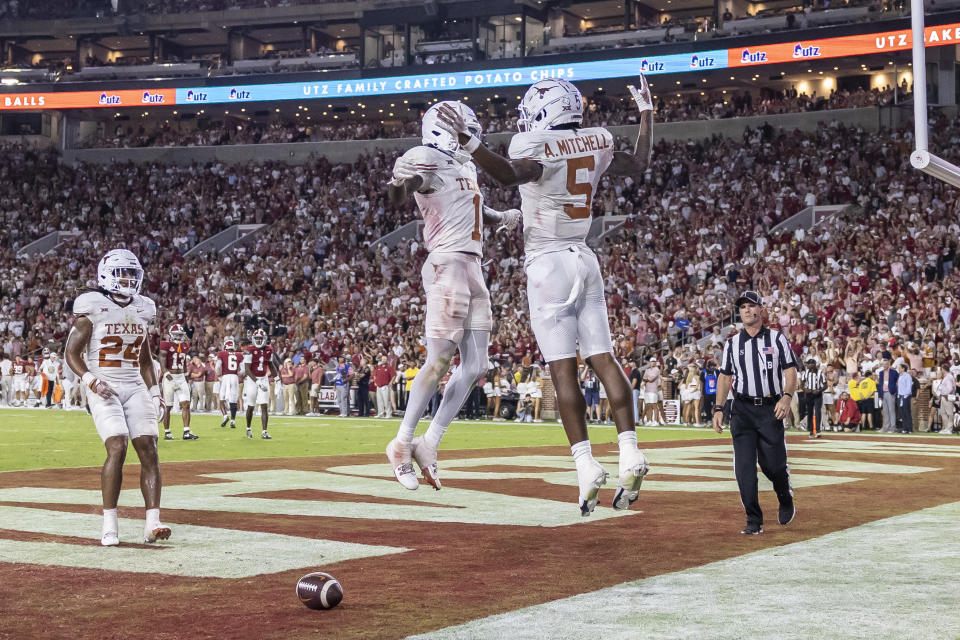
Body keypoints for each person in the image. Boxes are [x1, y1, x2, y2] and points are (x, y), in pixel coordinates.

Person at [434, 75, 653, 514]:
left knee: (563, 371)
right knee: (604, 358)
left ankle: (586, 465)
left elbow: (512, 174)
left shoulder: (535, 146)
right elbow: (639, 161)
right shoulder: (597, 140)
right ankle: (630, 451)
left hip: (548, 262)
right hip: (585, 257)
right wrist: (647, 114)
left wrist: (470, 145)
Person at [384, 100, 520, 492]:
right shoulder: (424, 158)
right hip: (446, 266)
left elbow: (469, 205)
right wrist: (399, 186)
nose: (471, 137)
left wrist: (500, 217)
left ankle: (430, 443)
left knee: (476, 365)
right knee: (440, 359)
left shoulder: (464, 167)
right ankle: (402, 442)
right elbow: (402, 195)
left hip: (473, 267)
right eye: (465, 130)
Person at [63, 248, 170, 546]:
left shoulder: (143, 307)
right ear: (106, 274)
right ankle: (109, 523)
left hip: (135, 384)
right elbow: (71, 353)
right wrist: (91, 381)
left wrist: (155, 392)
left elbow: (145, 359)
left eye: (132, 274)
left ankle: (153, 523)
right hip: (103, 383)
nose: (127, 279)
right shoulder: (92, 305)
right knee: (118, 446)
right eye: (122, 272)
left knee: (149, 447)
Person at [712, 291, 798, 535]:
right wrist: (719, 408)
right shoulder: (732, 343)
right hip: (742, 410)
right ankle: (753, 519)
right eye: (743, 308)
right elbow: (725, 376)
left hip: (771, 409)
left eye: (752, 306)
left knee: (773, 466)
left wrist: (786, 396)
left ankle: (784, 495)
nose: (748, 311)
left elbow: (790, 371)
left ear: (761, 309)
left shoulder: (777, 339)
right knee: (744, 468)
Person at [158, 324, 198, 441]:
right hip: (169, 376)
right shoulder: (165, 345)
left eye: (180, 335)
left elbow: (185, 363)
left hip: (181, 377)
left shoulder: (185, 345)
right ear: (171, 334)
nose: (179, 337)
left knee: (186, 404)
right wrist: (169, 378)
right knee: (168, 407)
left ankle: (186, 431)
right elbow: (162, 364)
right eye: (176, 335)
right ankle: (167, 432)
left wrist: (186, 379)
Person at [242, 328, 279, 439]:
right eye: (256, 338)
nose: (258, 341)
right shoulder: (249, 349)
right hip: (252, 379)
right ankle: (248, 427)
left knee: (264, 405)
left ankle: (264, 431)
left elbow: (271, 365)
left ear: (264, 339)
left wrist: (277, 379)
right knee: (251, 406)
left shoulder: (269, 349)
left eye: (260, 338)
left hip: (263, 378)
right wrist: (257, 382)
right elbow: (247, 369)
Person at [215, 336, 241, 429]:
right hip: (234, 377)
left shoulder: (222, 354)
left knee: (221, 398)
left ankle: (225, 416)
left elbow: (218, 367)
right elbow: (242, 370)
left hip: (225, 377)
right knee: (233, 400)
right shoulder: (239, 354)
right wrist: (238, 374)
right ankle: (233, 421)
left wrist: (219, 375)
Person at [798, 358, 826, 438]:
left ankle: (817, 430)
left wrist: (819, 390)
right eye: (808, 364)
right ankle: (811, 431)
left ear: (814, 365)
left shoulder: (820, 373)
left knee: (817, 412)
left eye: (810, 364)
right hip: (809, 394)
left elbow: (825, 385)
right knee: (809, 412)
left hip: (817, 394)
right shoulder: (805, 373)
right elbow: (802, 385)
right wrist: (805, 389)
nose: (808, 365)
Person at [877, 355, 899, 433]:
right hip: (883, 393)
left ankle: (892, 428)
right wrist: (880, 396)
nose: (885, 366)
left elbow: (898, 381)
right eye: (883, 364)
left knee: (891, 410)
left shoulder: (894, 372)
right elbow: (880, 384)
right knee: (885, 411)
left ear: (889, 364)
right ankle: (886, 427)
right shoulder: (881, 373)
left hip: (890, 393)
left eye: (886, 364)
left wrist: (895, 391)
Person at [936, 363, 956, 435]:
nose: (941, 370)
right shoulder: (946, 376)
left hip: (947, 397)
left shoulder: (949, 377)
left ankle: (950, 429)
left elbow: (950, 388)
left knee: (950, 413)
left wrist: (945, 395)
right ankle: (947, 428)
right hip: (944, 397)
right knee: (943, 413)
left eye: (941, 369)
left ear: (943, 369)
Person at [896, 364, 914, 433]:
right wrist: (899, 395)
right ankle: (904, 428)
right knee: (902, 413)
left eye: (900, 368)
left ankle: (910, 429)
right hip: (900, 396)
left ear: (903, 369)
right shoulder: (900, 376)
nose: (898, 369)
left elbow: (909, 387)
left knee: (907, 413)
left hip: (905, 396)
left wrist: (906, 395)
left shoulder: (907, 376)